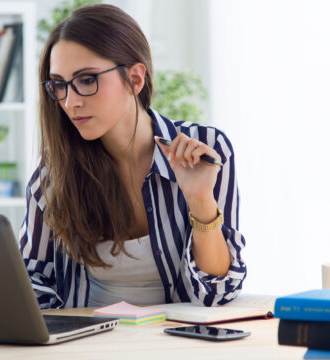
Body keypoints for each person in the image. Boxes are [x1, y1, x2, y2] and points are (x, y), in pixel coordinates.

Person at [19, 4, 246, 309]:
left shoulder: (206, 149)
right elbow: (32, 283)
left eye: (87, 80)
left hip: (178, 346)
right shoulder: (53, 176)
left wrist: (201, 200)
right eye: (59, 85)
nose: (70, 102)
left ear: (135, 79)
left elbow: (217, 293)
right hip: (87, 348)